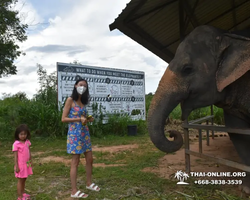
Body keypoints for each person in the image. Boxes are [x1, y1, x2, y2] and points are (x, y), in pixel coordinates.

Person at [62, 78, 100, 199]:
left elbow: (82, 117)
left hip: (84, 133)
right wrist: (79, 119)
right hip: (75, 135)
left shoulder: (83, 102)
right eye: (81, 85)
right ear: (75, 86)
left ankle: (89, 183)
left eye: (85, 86)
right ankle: (74, 191)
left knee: (89, 159)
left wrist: (88, 118)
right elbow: (64, 118)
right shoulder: (70, 100)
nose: (82, 87)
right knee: (75, 162)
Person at [12, 124, 33, 200]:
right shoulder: (16, 144)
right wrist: (17, 166)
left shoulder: (27, 142)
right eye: (21, 134)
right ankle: (20, 197)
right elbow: (15, 156)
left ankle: (23, 193)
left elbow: (29, 151)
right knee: (20, 180)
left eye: (25, 134)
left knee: (24, 179)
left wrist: (31, 161)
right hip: (20, 165)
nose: (23, 136)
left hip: (26, 165)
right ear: (17, 135)